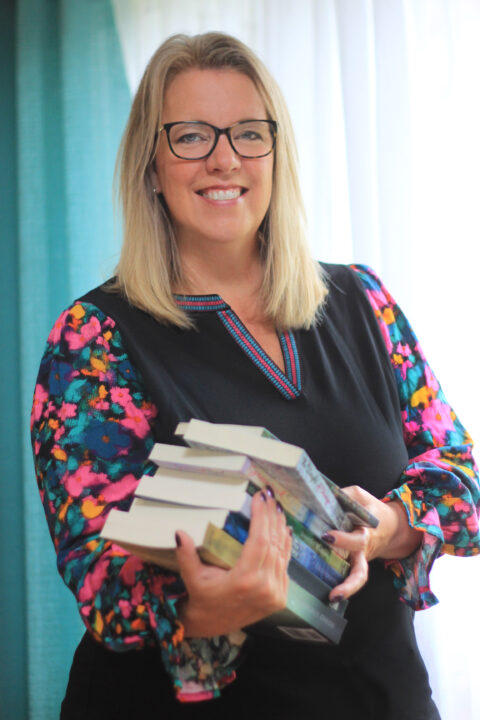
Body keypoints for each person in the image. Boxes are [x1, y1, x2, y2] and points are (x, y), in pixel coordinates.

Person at [31, 31, 480, 720]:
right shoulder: (93, 339)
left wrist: (388, 524)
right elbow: (102, 582)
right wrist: (204, 608)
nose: (224, 158)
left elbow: (462, 478)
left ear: (276, 153)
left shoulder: (366, 302)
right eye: (190, 136)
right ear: (151, 166)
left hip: (378, 699)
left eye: (248, 133)